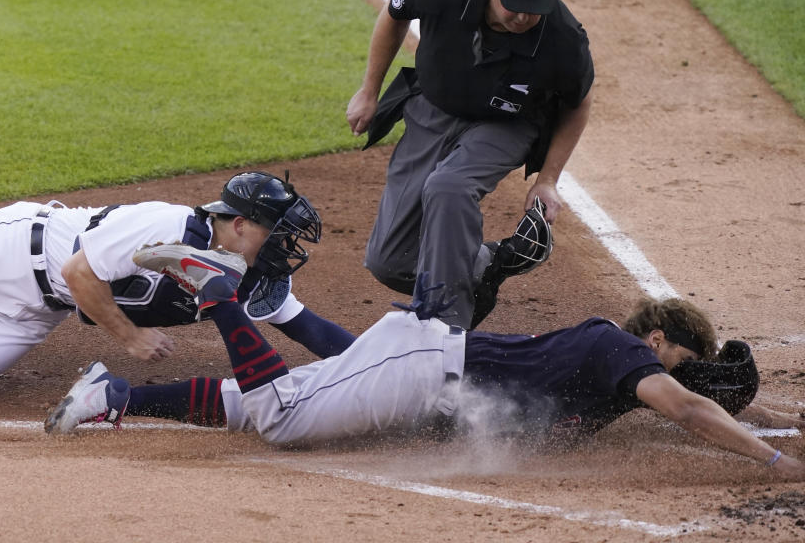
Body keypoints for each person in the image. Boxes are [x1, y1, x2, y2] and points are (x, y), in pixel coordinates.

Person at [45, 244, 805, 480]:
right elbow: (687, 409)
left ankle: (117, 396)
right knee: (282, 419)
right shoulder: (619, 350)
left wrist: (782, 422)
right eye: (681, 360)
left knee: (254, 400)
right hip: (419, 369)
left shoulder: (615, 380)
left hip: (416, 376)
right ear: (660, 342)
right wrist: (771, 460)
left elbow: (691, 408)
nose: (677, 376)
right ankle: (216, 290)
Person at [0, 172, 355, 398]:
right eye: (278, 233)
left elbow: (312, 331)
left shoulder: (246, 276)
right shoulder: (167, 227)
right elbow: (78, 274)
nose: (285, 247)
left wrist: (377, 365)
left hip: (38, 308)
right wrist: (130, 337)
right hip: (14, 253)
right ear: (241, 224)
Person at [346, 0, 594, 329]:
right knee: (389, 262)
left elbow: (578, 103)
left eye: (534, 8)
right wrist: (369, 91)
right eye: (514, 3)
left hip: (506, 124)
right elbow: (395, 16)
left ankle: (448, 333)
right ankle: (484, 262)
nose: (523, 17)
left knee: (448, 186)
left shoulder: (563, 38)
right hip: (434, 108)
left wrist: (548, 179)